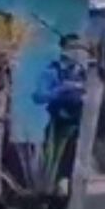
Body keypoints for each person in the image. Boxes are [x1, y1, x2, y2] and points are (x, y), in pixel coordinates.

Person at [32, 34, 88, 186]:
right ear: (63, 49)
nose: (77, 52)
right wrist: (60, 90)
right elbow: (38, 96)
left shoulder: (84, 72)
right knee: (54, 165)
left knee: (76, 166)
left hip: (80, 127)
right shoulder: (52, 71)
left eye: (80, 48)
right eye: (73, 48)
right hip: (58, 126)